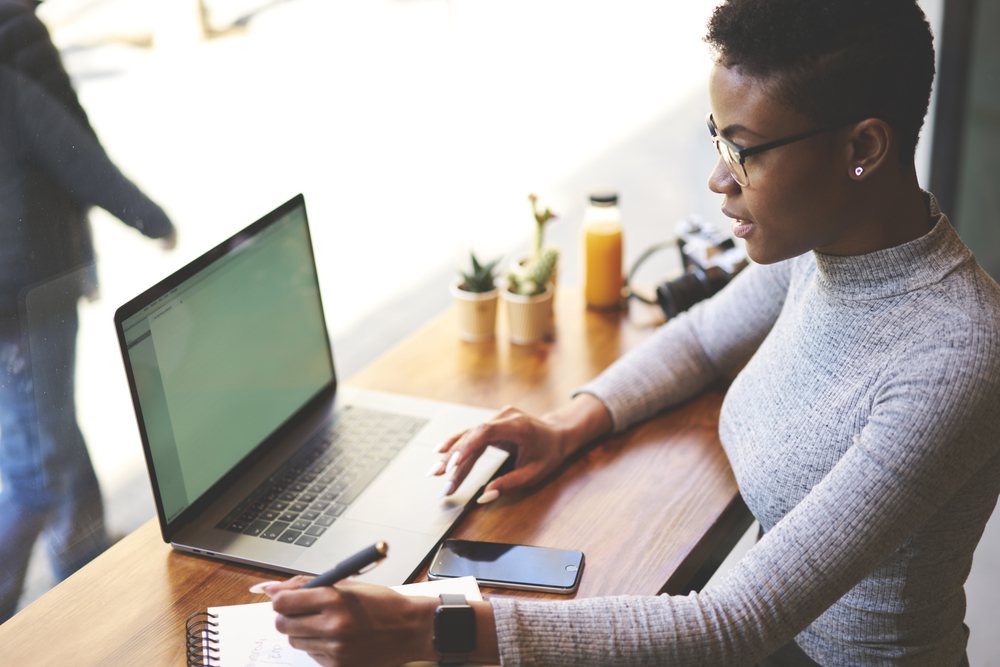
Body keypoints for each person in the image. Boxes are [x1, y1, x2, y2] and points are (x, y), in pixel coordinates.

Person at [259, 0, 1000, 664]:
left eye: (745, 149)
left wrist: (425, 628)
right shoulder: (826, 247)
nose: (719, 178)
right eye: (717, 137)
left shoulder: (954, 352)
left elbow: (735, 621)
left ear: (862, 149)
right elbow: (705, 337)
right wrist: (568, 423)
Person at [0, 14, 177, 620]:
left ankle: (83, 562)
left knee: (47, 427)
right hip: (33, 290)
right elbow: (73, 147)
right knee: (34, 473)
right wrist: (151, 218)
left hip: (25, 293)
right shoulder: (14, 39)